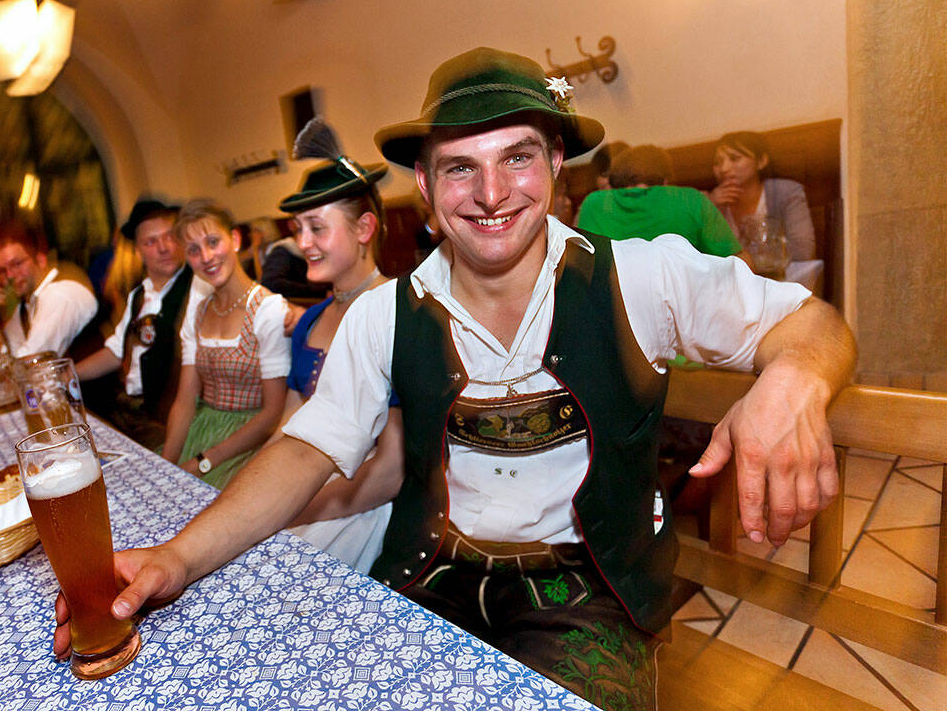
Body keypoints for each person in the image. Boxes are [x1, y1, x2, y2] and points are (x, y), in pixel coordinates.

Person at [54, 49, 855, 709]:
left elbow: (816, 326)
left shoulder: (643, 277)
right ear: (428, 194)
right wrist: (179, 558)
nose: (494, 192)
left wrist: (792, 382)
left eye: (517, 157)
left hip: (590, 592)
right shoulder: (385, 315)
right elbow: (308, 449)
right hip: (429, 574)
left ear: (554, 171)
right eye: (460, 169)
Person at [268, 117, 403, 573]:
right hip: (301, 487)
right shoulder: (308, 320)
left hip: (364, 506)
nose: (302, 242)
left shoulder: (398, 312)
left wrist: (293, 510)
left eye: (316, 228)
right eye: (297, 228)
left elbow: (391, 469)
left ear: (364, 228)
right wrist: (257, 496)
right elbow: (286, 429)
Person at [160, 199, 290, 490]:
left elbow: (272, 414)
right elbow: (185, 400)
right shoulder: (200, 310)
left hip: (248, 442)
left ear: (234, 239)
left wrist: (204, 461)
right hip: (202, 430)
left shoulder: (268, 310)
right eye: (193, 250)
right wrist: (166, 464)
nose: (206, 256)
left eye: (213, 241)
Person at [74, 199, 209, 449]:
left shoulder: (199, 287)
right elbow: (116, 352)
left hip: (169, 421)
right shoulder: (137, 295)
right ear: (138, 251)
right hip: (127, 414)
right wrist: (66, 374)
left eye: (170, 237)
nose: (164, 247)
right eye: (151, 241)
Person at [577, 144, 746, 259]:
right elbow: (742, 264)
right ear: (666, 182)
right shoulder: (690, 199)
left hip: (614, 308)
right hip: (682, 308)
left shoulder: (593, 203)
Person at [0, 220, 98, 358]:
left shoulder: (59, 294)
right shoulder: (24, 304)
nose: (10, 276)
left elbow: (30, 365)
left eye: (17, 264)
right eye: (2, 271)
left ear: (41, 260)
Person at [709, 130, 816, 262]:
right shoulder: (708, 202)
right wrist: (710, 207)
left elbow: (803, 250)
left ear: (761, 161)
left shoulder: (786, 192)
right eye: (717, 162)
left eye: (735, 158)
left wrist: (746, 261)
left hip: (782, 280)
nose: (724, 168)